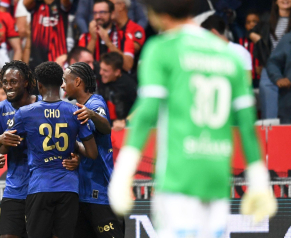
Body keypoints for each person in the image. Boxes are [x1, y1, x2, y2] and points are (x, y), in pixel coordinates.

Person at [108, 0, 277, 237]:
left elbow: (146, 114)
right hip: (216, 177)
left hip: (178, 178)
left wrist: (123, 171)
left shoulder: (162, 48)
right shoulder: (228, 55)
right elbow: (248, 125)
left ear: (156, 15)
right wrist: (259, 180)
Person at [0, 61, 98, 238]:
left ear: (38, 84)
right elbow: (92, 153)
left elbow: (5, 146)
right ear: (61, 83)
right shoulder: (75, 111)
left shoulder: (25, 113)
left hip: (40, 186)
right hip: (69, 187)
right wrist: (72, 142)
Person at [61, 62, 124, 237]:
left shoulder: (95, 103)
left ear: (78, 81)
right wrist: (76, 157)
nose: (62, 85)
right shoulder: (71, 110)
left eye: (65, 80)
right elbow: (80, 146)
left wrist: (92, 114)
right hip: (79, 194)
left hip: (101, 193)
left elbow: (105, 128)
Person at [0, 60, 39, 238]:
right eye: (5, 82)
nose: (8, 87)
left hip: (41, 188)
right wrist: (0, 140)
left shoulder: (43, 105)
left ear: (26, 82)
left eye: (13, 82)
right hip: (14, 188)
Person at [249, 0, 291, 119]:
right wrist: (258, 40)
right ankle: (269, 134)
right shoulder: (267, 19)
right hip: (271, 65)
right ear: (276, 2)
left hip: (288, 66)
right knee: (269, 109)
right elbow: (251, 32)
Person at [78, 0, 135, 72]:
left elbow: (128, 66)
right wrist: (93, 39)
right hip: (92, 79)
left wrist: (108, 43)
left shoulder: (125, 36)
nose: (98, 16)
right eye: (95, 13)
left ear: (112, 14)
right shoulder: (85, 37)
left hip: (117, 81)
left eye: (102, 12)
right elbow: (81, 67)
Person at [24, 0, 71, 70]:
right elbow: (25, 3)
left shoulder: (61, 4)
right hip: (37, 58)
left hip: (58, 58)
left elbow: (67, 5)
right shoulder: (36, 4)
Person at [99, 52, 136, 131]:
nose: (101, 73)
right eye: (101, 69)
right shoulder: (102, 78)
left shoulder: (129, 85)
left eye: (105, 70)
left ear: (117, 72)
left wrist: (125, 121)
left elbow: (140, 106)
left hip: (125, 129)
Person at [75, 0, 148, 35]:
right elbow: (80, 16)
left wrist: (133, 34)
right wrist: (89, 36)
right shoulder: (110, 29)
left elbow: (143, 18)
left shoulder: (132, 31)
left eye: (111, 5)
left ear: (121, 6)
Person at [239, 10, 261, 88]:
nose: (251, 24)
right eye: (248, 22)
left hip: (261, 79)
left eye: (255, 22)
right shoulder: (240, 42)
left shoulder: (265, 41)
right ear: (245, 25)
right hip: (245, 79)